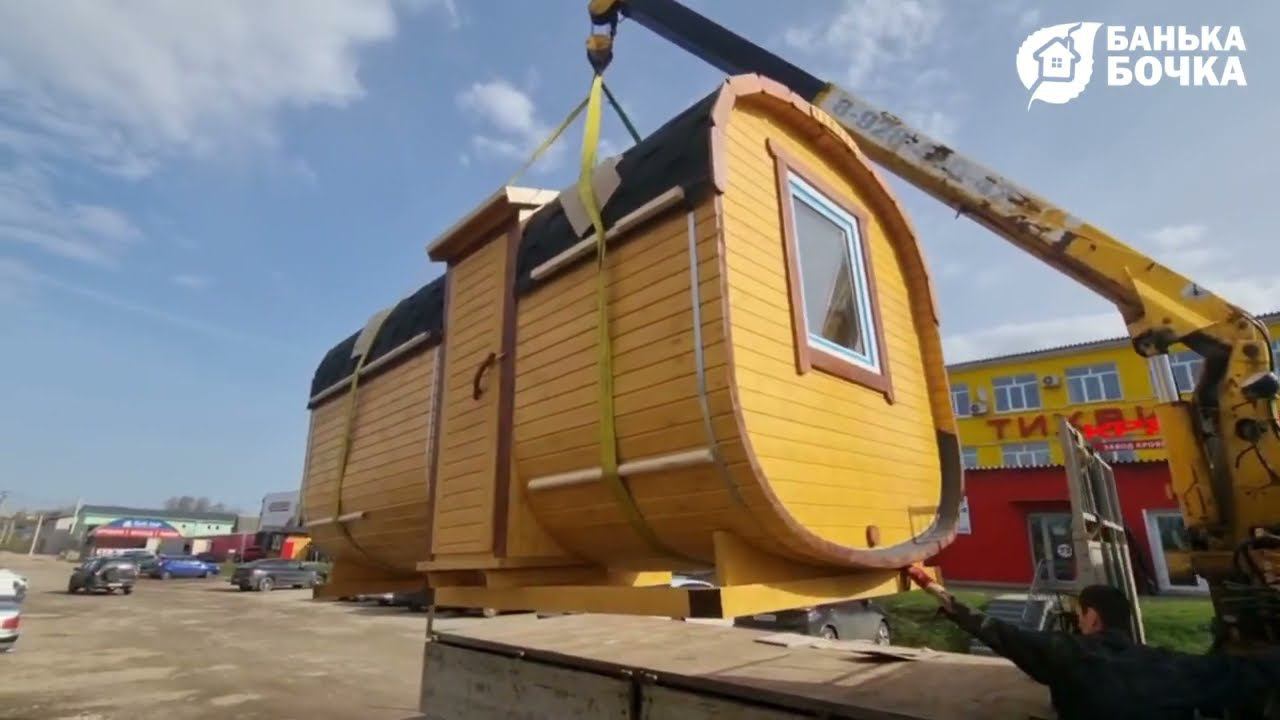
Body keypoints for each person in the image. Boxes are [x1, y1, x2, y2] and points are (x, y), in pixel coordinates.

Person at [909, 570, 1280, 719]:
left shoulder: (1071, 656)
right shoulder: (1173, 666)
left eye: (1081, 614)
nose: (1079, 621)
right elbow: (1245, 672)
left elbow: (997, 632)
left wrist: (930, 584)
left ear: (1094, 618)